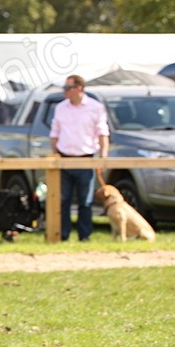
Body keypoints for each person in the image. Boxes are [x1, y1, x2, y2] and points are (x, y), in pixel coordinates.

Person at [50, 74, 110, 241]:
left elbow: (102, 133)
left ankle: (85, 236)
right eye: (64, 87)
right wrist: (55, 153)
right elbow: (54, 133)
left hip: (86, 158)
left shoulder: (95, 107)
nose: (65, 91)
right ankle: (63, 235)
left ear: (79, 88)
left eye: (68, 88)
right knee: (63, 201)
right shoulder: (61, 107)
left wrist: (103, 158)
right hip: (64, 158)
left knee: (85, 202)